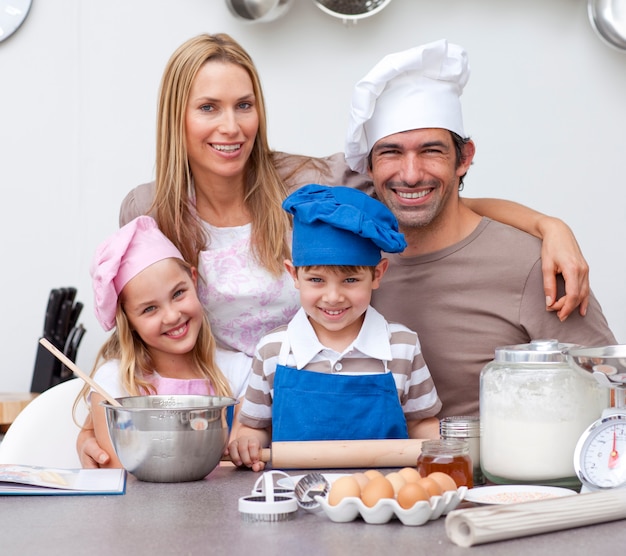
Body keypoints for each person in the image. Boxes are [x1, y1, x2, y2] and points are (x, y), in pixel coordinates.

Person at [78, 33, 592, 467]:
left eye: (244, 105)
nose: (231, 127)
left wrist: (549, 225)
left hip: (332, 408)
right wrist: (95, 421)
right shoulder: (151, 210)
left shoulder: (312, 185)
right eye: (208, 107)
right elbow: (138, 332)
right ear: (176, 117)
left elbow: (425, 196)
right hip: (218, 435)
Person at [343, 39, 617, 418]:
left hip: (504, 476)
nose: (410, 174)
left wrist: (551, 227)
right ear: (368, 167)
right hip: (379, 471)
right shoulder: (346, 260)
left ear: (464, 157)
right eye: (390, 152)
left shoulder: (533, 265)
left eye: (431, 151)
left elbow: (609, 393)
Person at [229, 184, 441, 471]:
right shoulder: (274, 350)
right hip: (295, 497)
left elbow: (422, 423)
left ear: (377, 274)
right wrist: (246, 441)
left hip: (383, 495)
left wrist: (443, 451)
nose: (333, 297)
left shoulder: (401, 345)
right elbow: (255, 427)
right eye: (316, 280)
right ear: (293, 274)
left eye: (350, 280)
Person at [76, 215, 249, 467]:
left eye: (178, 293)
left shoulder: (239, 372)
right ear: (128, 321)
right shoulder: (114, 384)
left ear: (194, 279)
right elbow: (118, 470)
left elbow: (237, 466)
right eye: (149, 309)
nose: (172, 316)